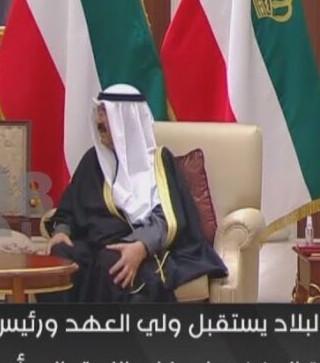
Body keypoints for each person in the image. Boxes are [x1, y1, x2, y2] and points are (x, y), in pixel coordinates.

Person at [40, 84, 227, 303]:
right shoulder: (92, 160)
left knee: (112, 262)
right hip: (93, 244)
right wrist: (61, 232)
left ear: (126, 119)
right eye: (98, 111)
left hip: (140, 245)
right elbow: (68, 209)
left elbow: (167, 219)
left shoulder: (158, 162)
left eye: (105, 112)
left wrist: (141, 247)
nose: (99, 120)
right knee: (61, 255)